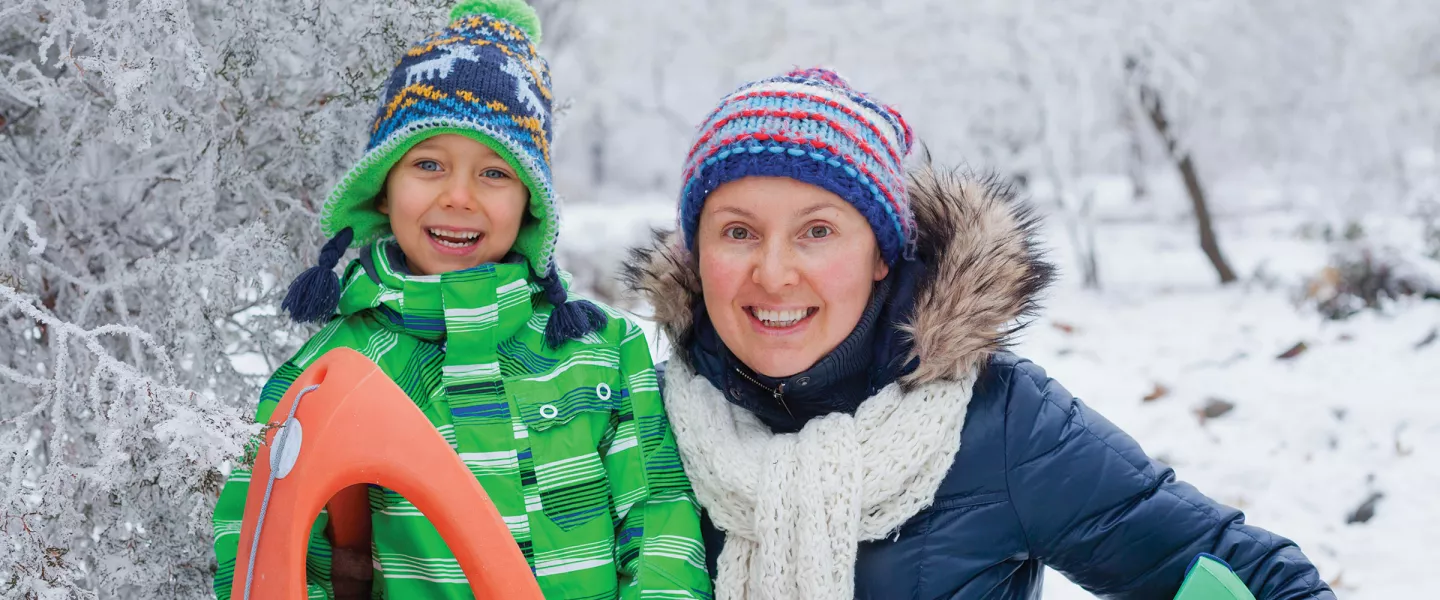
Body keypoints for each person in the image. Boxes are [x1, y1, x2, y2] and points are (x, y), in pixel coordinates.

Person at [624, 67, 1335, 599]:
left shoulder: (997, 423)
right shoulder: (637, 422)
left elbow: (1250, 576)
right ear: (697, 254)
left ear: (880, 255)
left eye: (817, 230)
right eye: (738, 231)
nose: (773, 273)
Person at [211, 2, 712, 598]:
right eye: (428, 164)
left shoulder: (600, 352)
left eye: (494, 173)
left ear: (530, 202)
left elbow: (660, 523)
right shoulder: (334, 373)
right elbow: (271, 546)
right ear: (383, 189)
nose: (458, 197)